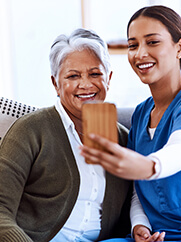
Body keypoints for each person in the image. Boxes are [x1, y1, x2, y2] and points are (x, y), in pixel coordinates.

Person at [80, 5, 181, 242]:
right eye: (133, 45)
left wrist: (148, 166)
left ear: (179, 47)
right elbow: (139, 190)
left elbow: (180, 148)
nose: (140, 53)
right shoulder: (141, 113)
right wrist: (140, 226)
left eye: (152, 42)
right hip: (161, 235)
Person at [0, 28, 132, 242]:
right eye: (73, 76)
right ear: (56, 84)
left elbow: (136, 206)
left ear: (108, 78)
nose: (86, 84)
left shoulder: (125, 140)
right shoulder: (30, 130)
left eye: (95, 74)